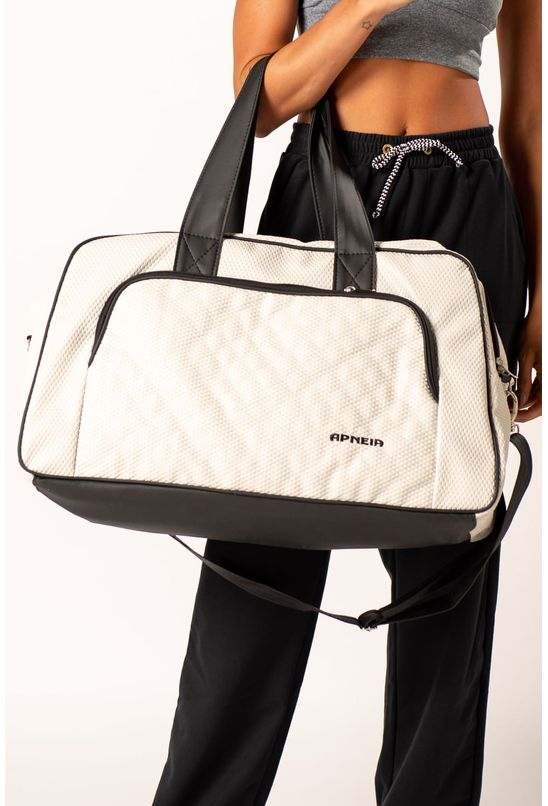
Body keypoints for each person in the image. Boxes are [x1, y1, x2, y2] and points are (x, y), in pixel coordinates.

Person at [152, 1, 542, 804]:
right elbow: (258, 100)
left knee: (452, 540)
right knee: (267, 524)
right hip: (325, 198)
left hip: (472, 211)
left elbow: (527, 122)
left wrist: (538, 293)